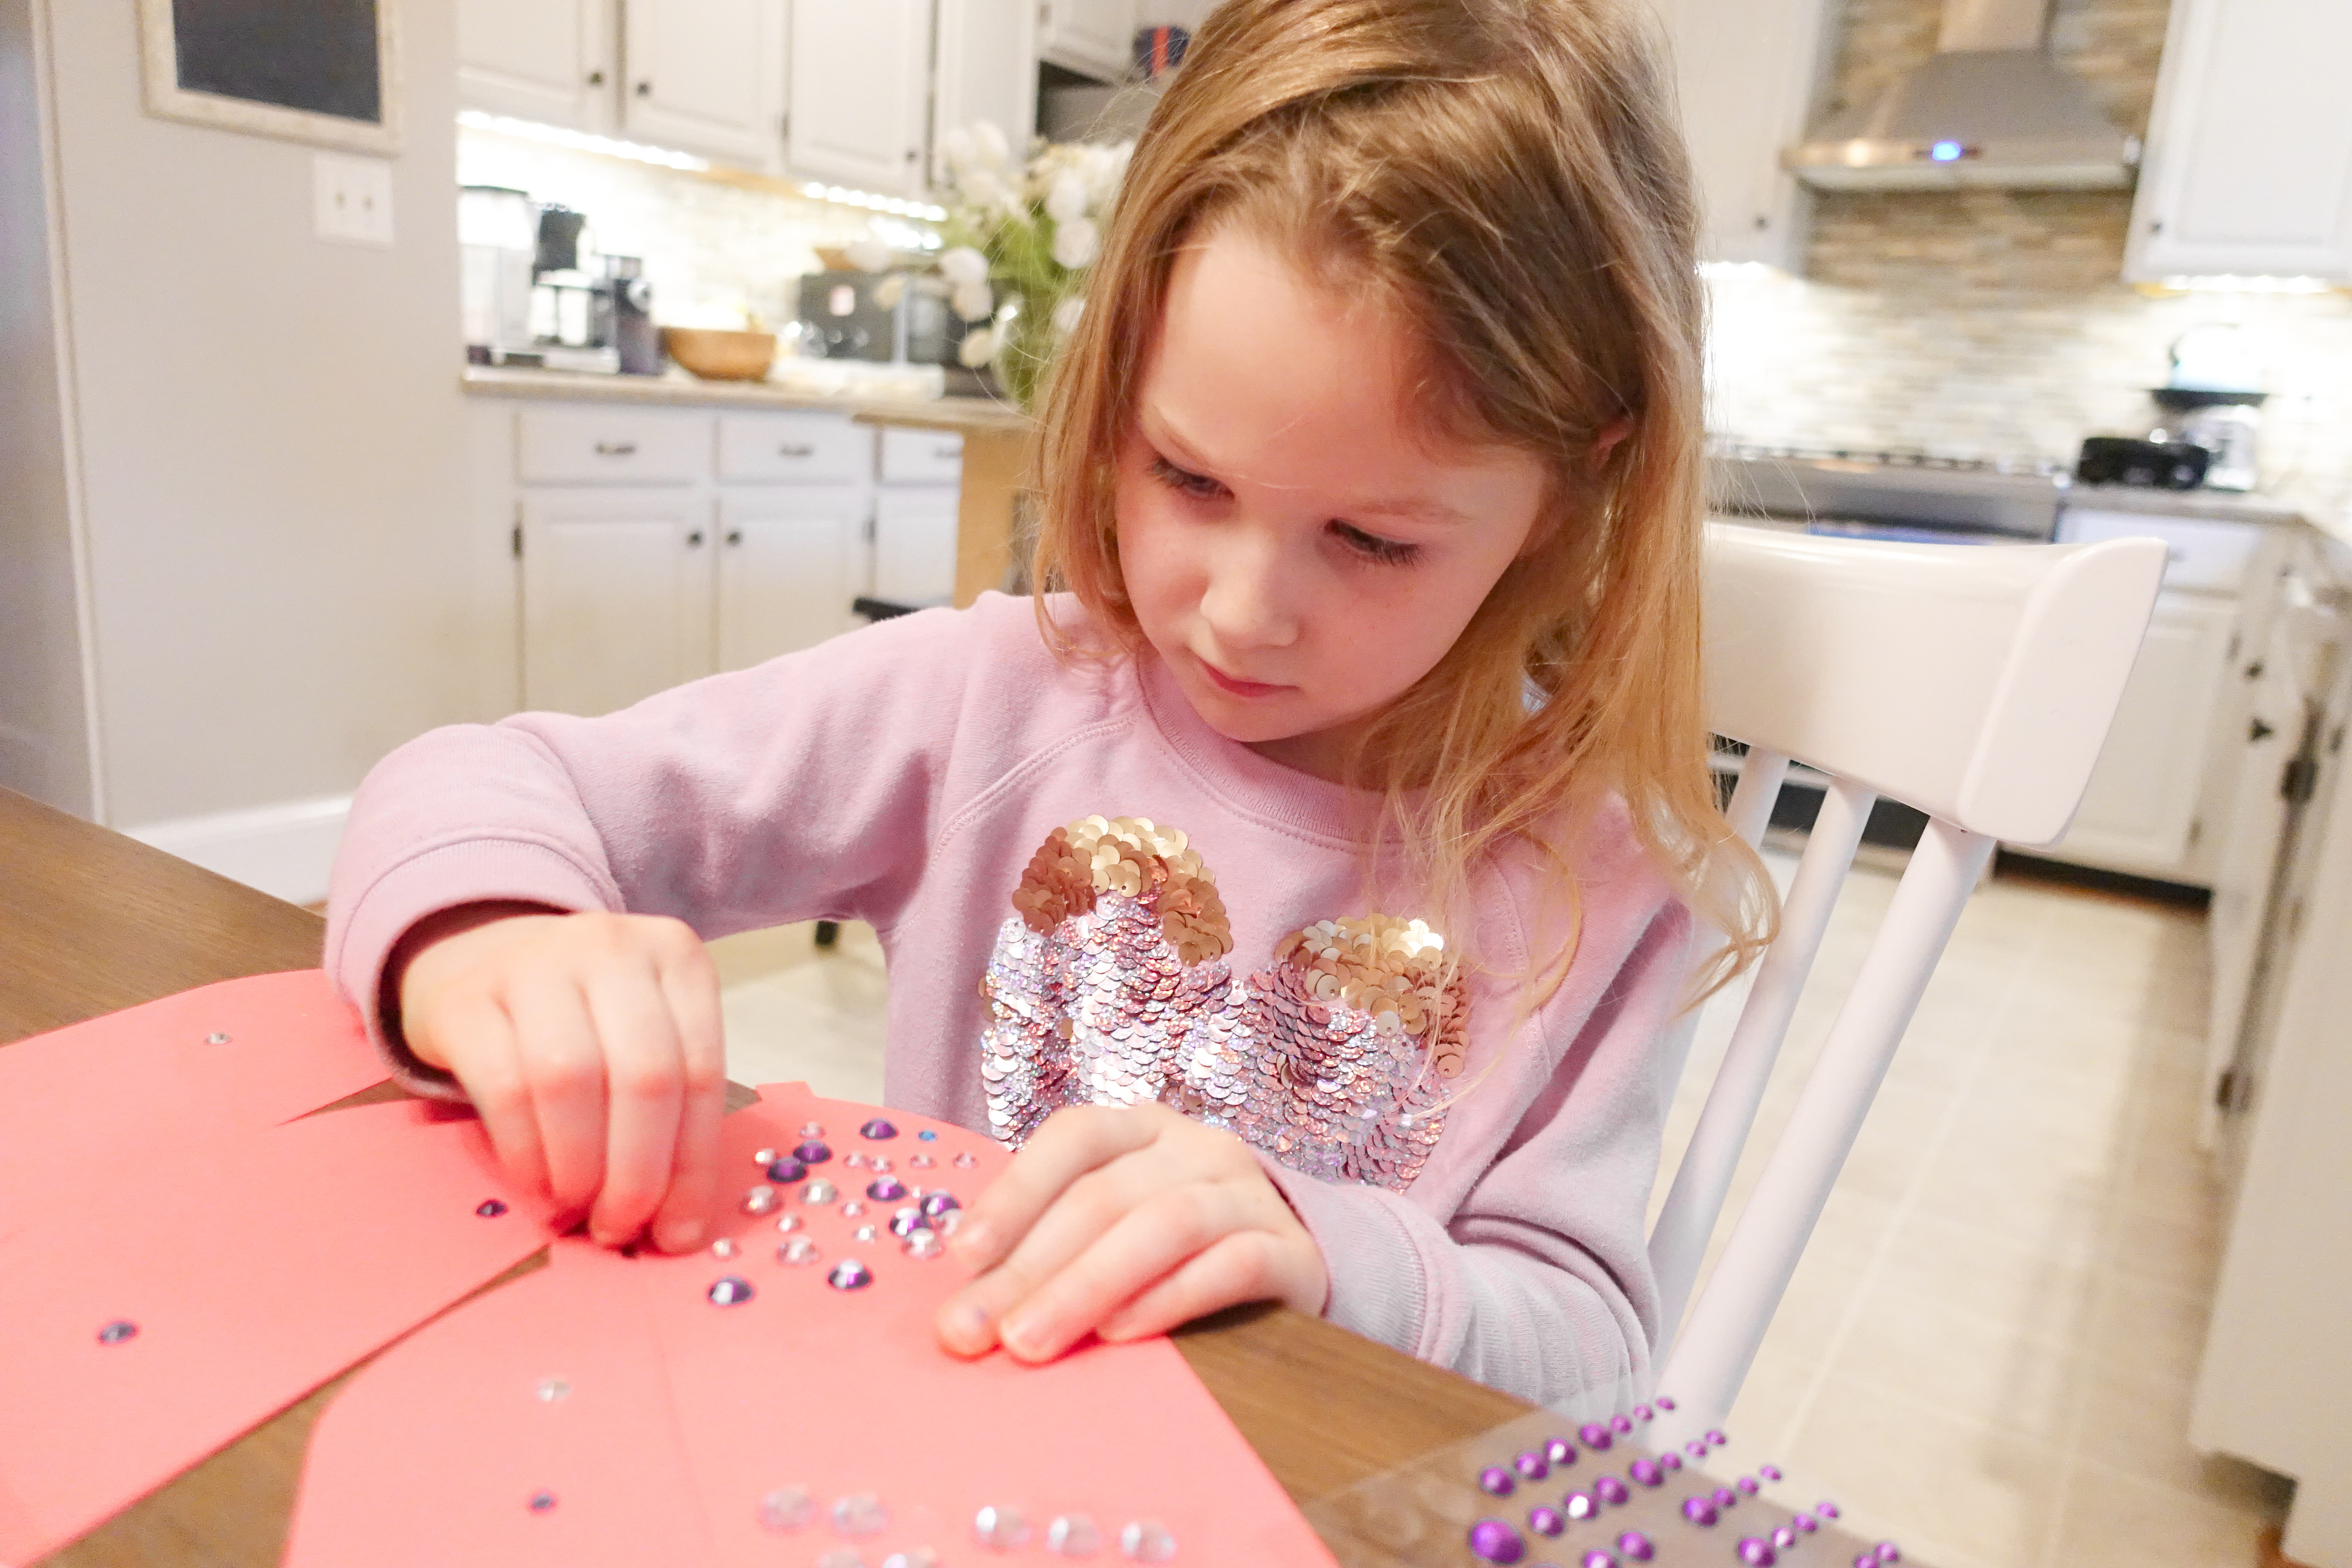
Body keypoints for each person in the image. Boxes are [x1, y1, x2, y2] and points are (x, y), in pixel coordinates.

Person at [325, 0, 1772, 1412]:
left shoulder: (1608, 876)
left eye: (1374, 540)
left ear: (1571, 487)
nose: (1240, 610)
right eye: (1188, 479)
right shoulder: (993, 700)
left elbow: (1590, 1346)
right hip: (938, 1445)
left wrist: (1332, 1255)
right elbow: (487, 784)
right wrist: (486, 936)